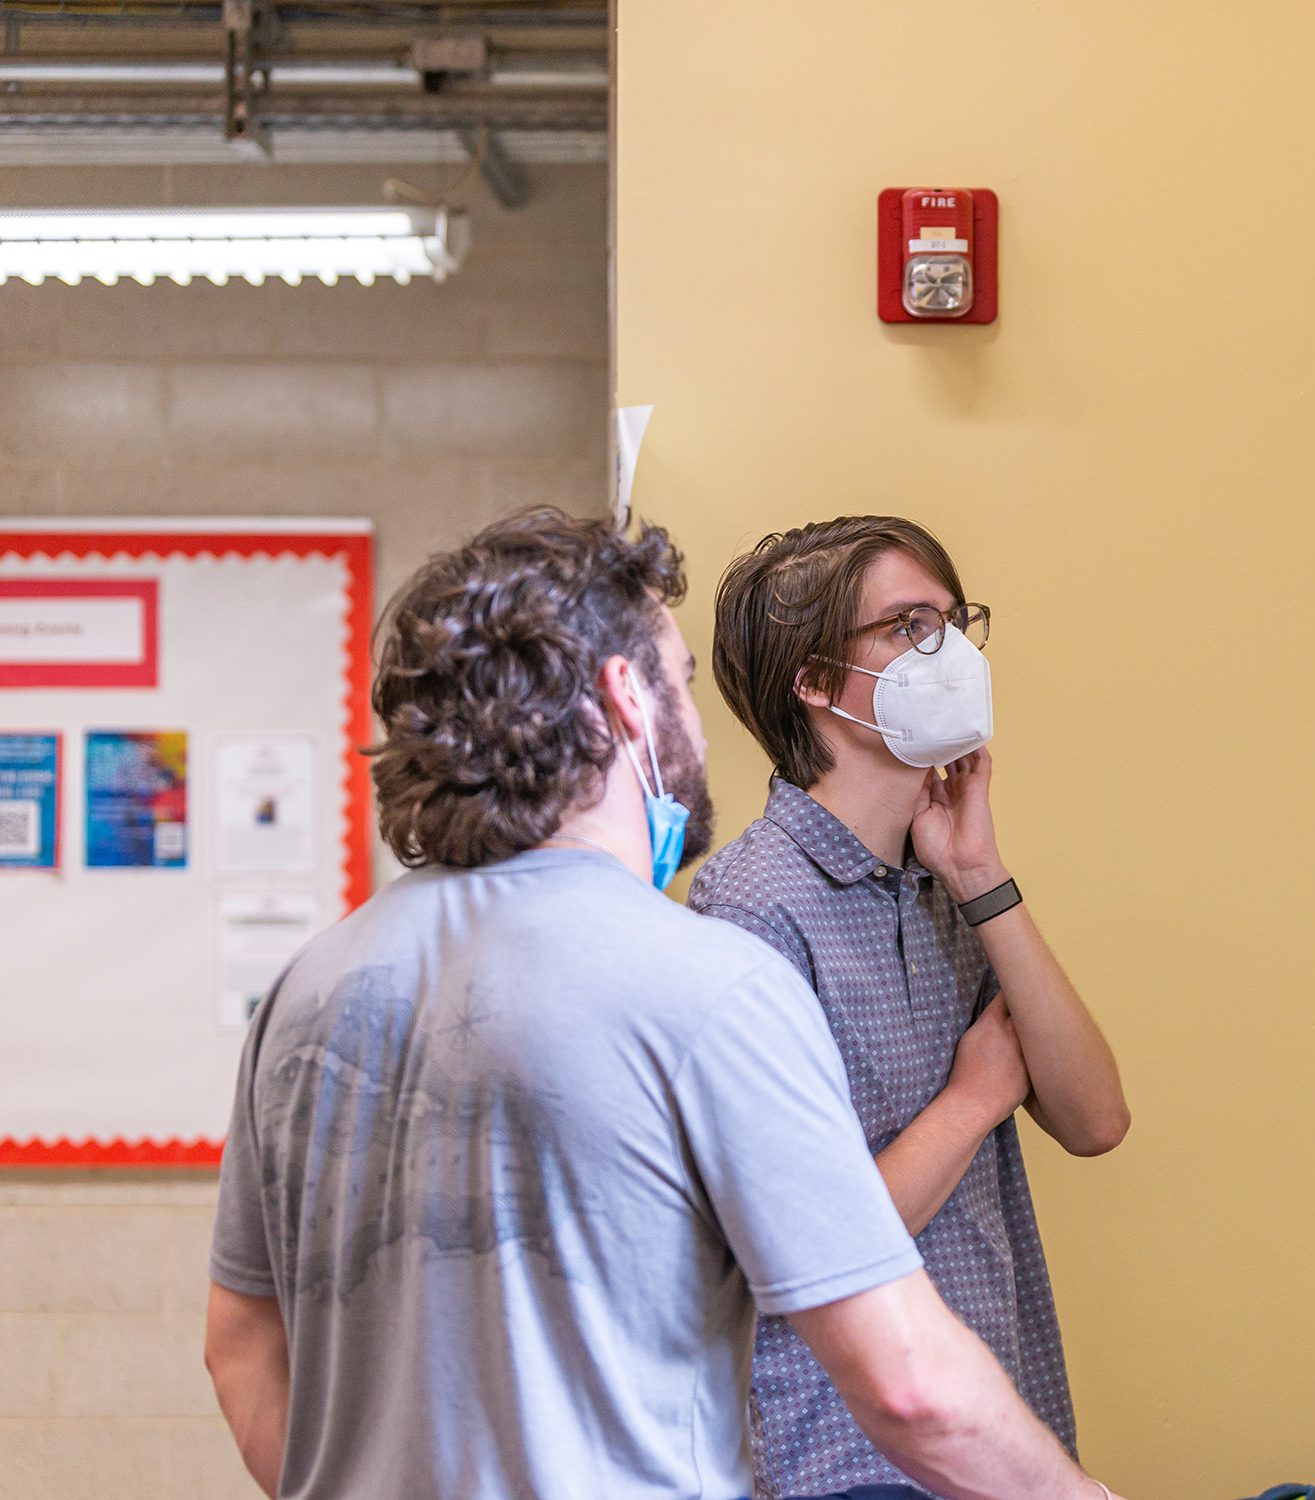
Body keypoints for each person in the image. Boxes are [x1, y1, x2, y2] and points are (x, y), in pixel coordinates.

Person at [202, 508, 1123, 1500]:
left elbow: (239, 1345)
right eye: (680, 683)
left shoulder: (308, 987)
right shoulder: (704, 978)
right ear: (626, 700)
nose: (694, 716)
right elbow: (907, 1387)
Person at [692, 516, 1130, 1500]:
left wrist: (981, 873)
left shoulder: (942, 883)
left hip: (996, 1419)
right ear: (812, 681)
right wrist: (973, 1102)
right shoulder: (751, 907)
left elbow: (1095, 1119)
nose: (953, 653)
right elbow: (800, 1242)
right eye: (908, 626)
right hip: (843, 1453)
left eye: (955, 621)